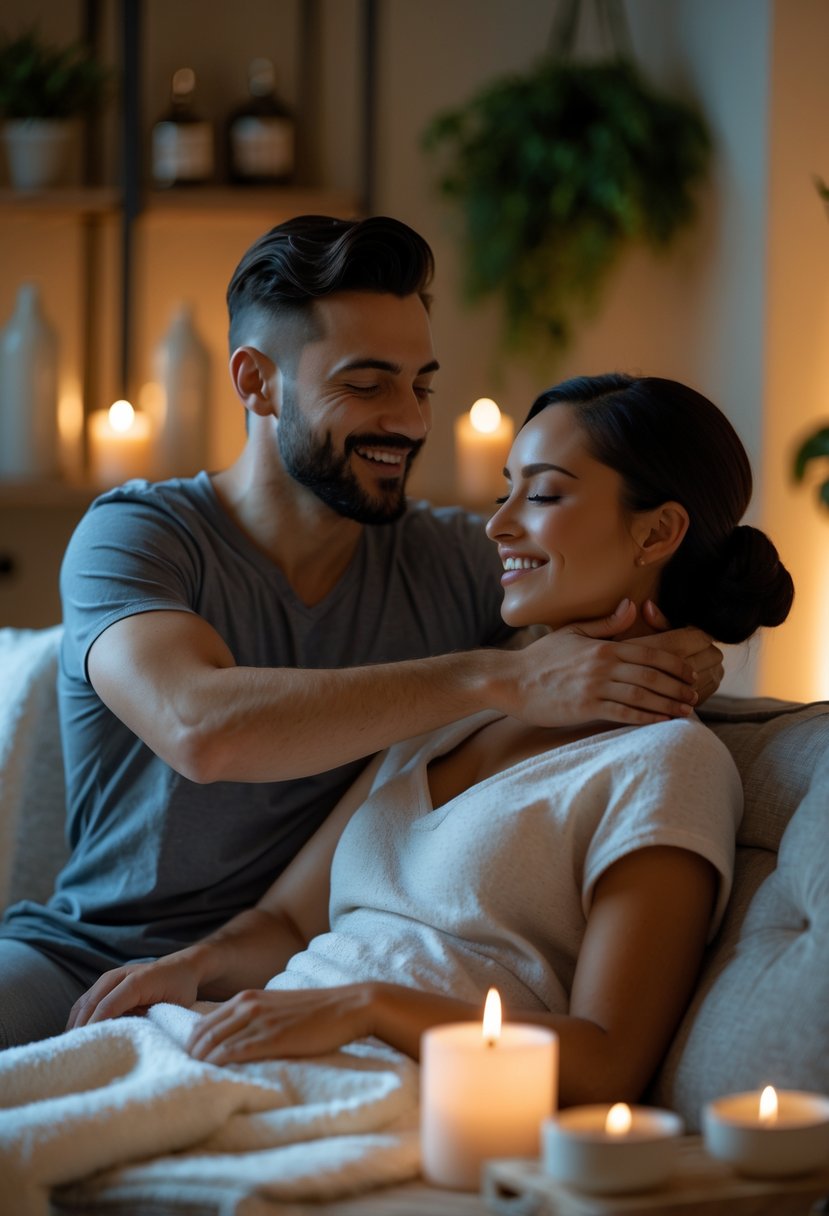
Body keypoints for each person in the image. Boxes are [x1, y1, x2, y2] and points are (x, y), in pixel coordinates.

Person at [0, 215, 721, 1050]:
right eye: (366, 384)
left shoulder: (455, 557)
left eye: (421, 385)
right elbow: (201, 728)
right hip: (89, 961)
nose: (409, 422)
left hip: (303, 964)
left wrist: (688, 653)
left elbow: (607, 583)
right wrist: (498, 677)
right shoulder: (139, 537)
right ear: (256, 382)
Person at [69, 373, 793, 1108]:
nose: (498, 525)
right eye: (504, 490)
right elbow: (286, 920)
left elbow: (603, 1065)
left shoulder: (666, 762)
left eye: (541, 495)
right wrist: (194, 966)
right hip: (249, 1039)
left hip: (380, 1088)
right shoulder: (459, 713)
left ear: (656, 532)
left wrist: (364, 1005)